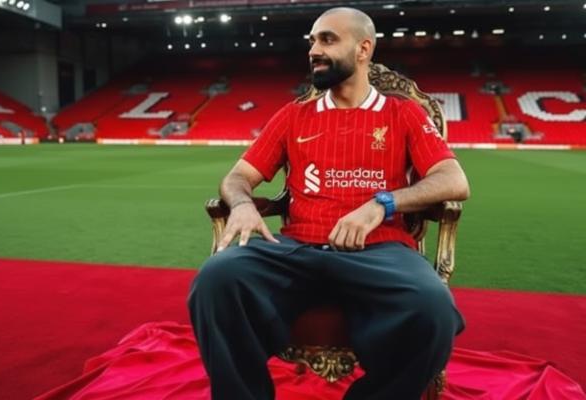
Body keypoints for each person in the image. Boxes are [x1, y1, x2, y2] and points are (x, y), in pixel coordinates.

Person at [188, 7, 470, 400]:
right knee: (216, 278)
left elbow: (454, 181)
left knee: (434, 307)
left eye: (327, 40)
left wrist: (382, 204)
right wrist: (241, 205)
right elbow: (237, 178)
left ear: (363, 49)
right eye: (312, 41)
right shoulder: (293, 115)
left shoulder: (402, 113)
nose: (313, 50)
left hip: (380, 251)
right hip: (295, 250)